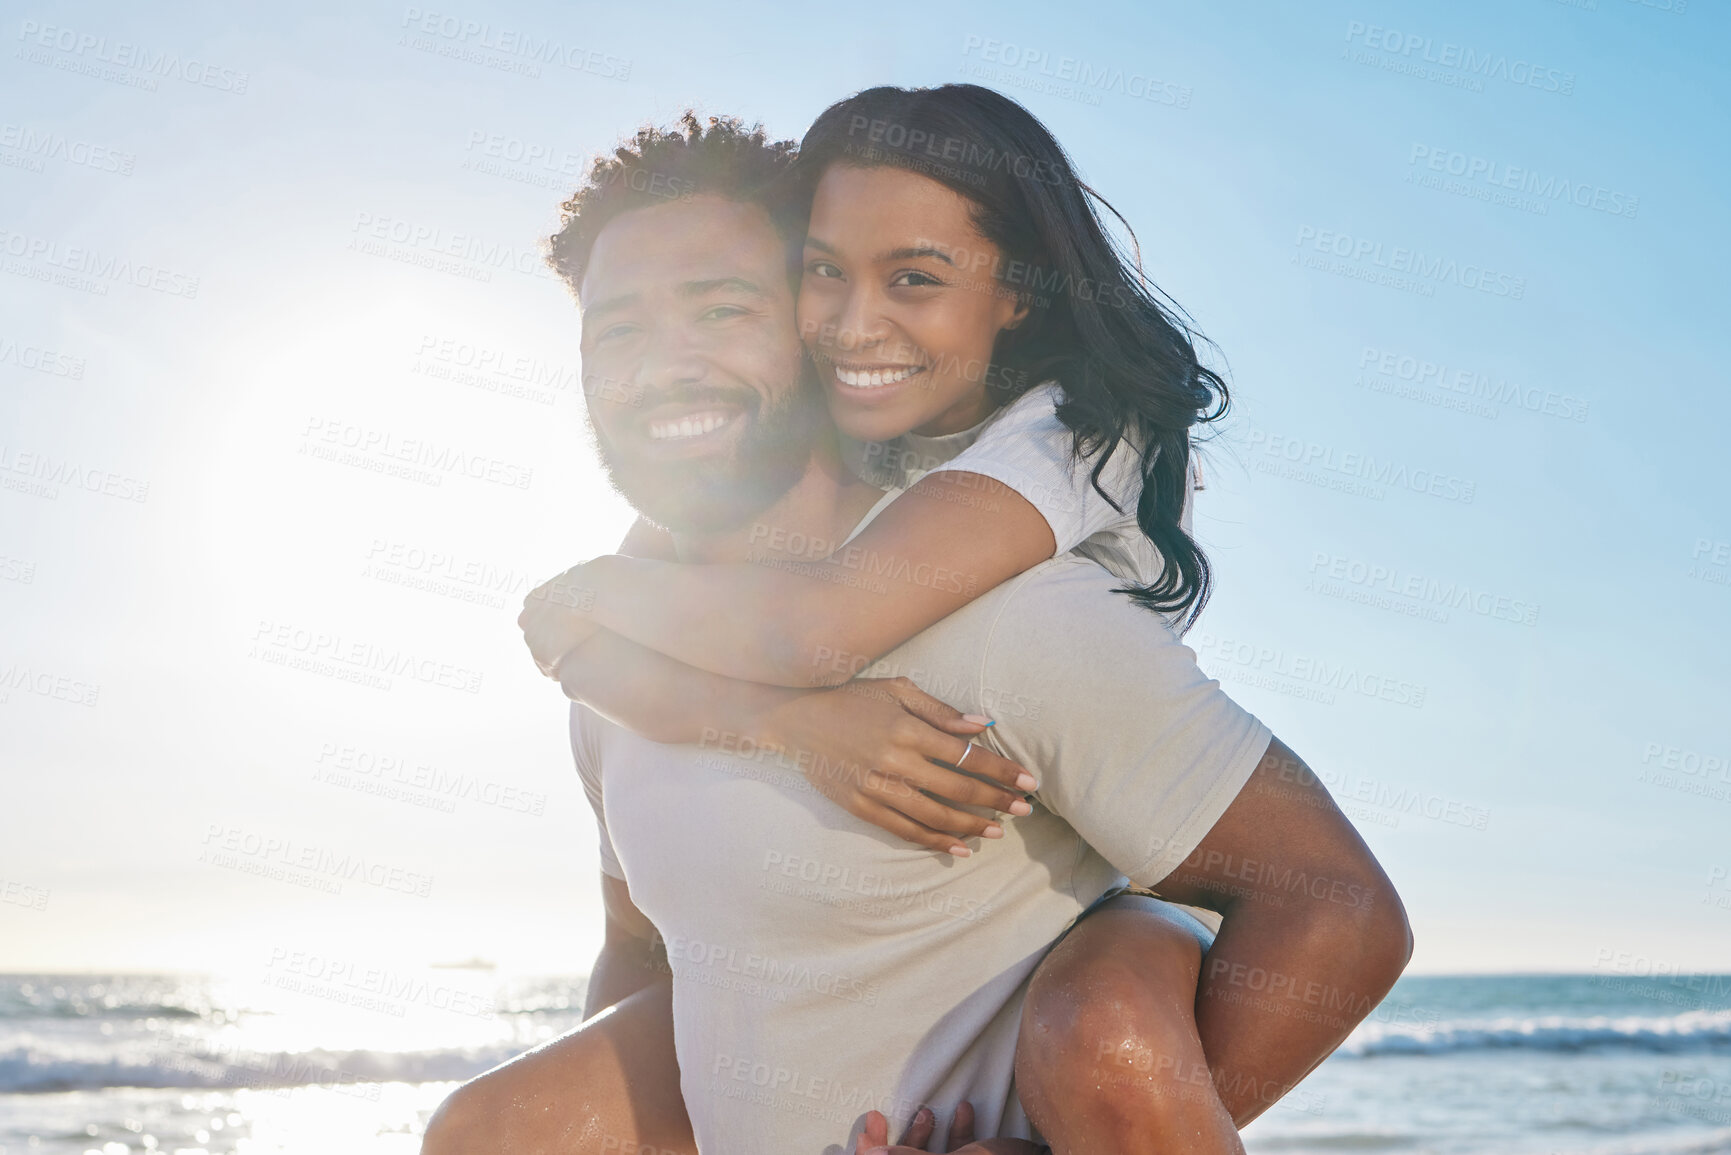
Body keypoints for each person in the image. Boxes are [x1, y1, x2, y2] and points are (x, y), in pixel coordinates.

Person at [423, 111, 1412, 1155]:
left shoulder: (1008, 611)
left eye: (722, 309)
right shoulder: (633, 660)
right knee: (491, 1134)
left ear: (813, 334)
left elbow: (1337, 909)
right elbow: (644, 949)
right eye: (617, 329)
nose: (666, 363)